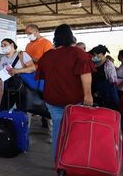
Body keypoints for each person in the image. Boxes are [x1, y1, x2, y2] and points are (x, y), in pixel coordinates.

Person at [36, 24, 94, 158]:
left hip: (52, 99)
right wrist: (88, 95)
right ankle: (72, 161)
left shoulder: (48, 56)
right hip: (74, 99)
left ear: (56, 38)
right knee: (75, 129)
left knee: (57, 128)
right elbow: (85, 74)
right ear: (71, 37)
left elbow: (43, 76)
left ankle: (59, 162)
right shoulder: (78, 53)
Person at [0, 38, 35, 111]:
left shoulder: (22, 55)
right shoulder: (3, 59)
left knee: (21, 114)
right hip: (8, 90)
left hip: (22, 90)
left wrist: (17, 71)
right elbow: (0, 74)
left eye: (5, 45)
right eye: (2, 46)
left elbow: (32, 68)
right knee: (3, 112)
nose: (3, 47)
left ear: (12, 45)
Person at [89, 45, 119, 110]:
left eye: (96, 55)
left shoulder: (108, 64)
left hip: (105, 92)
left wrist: (100, 91)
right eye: (93, 55)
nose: (94, 57)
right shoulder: (94, 63)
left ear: (102, 54)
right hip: (94, 89)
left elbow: (112, 81)